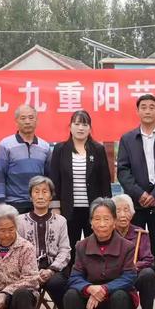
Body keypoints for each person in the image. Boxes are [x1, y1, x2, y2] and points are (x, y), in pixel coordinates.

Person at [117, 94, 155, 304]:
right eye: (143, 107)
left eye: (152, 107)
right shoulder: (127, 139)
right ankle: (132, 285)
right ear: (138, 111)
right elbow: (123, 171)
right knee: (133, 244)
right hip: (136, 203)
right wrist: (140, 194)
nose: (147, 110)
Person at [50, 110, 112, 263]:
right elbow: (54, 181)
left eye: (84, 124)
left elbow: (105, 181)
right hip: (68, 209)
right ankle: (70, 282)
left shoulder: (97, 149)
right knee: (69, 248)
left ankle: (95, 282)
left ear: (90, 128)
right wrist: (55, 207)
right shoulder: (60, 149)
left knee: (96, 247)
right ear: (70, 127)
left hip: (93, 209)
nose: (80, 128)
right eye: (76, 124)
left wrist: (108, 209)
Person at [63, 198, 137, 309]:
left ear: (114, 222)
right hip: (89, 299)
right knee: (70, 295)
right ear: (91, 223)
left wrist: (104, 289)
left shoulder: (127, 246)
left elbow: (129, 277)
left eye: (106, 219)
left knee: (120, 296)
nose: (102, 224)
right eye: (97, 219)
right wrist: (89, 288)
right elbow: (75, 277)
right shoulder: (81, 246)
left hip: (115, 295)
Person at [17, 176, 71, 309]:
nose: (40, 196)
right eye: (36, 191)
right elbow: (18, 250)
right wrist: (33, 272)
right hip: (28, 270)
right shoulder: (20, 221)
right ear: (30, 196)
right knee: (23, 289)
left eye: (45, 191)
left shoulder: (60, 221)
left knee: (56, 283)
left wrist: (51, 270)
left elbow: (65, 250)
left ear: (51, 196)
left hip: (54, 269)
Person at [0, 104, 51, 214]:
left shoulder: (45, 146)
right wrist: (1, 204)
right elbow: (0, 175)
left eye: (31, 118)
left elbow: (49, 177)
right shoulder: (6, 145)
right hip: (13, 204)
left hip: (38, 203)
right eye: (23, 118)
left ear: (37, 121)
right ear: (16, 121)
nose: (27, 121)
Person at [113, 193, 155, 309]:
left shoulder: (140, 233)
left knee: (148, 274)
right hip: (113, 276)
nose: (122, 214)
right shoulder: (107, 233)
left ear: (131, 214)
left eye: (126, 210)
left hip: (133, 274)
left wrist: (132, 267)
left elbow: (148, 260)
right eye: (118, 210)